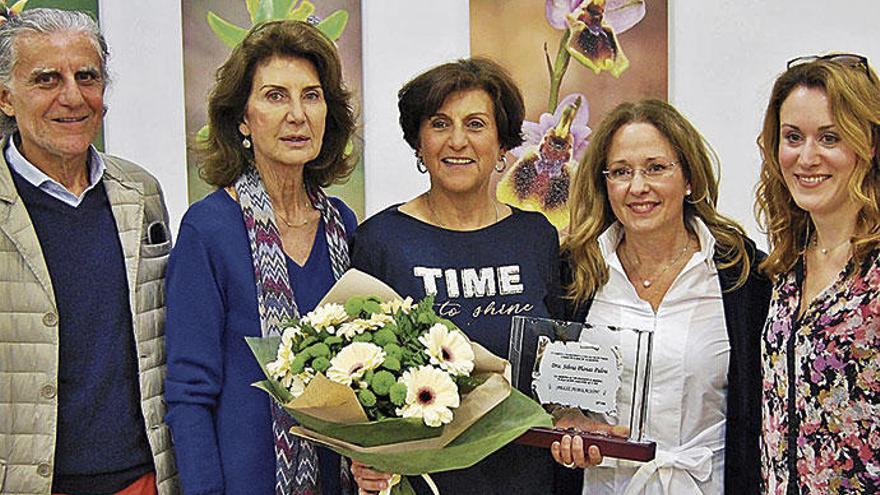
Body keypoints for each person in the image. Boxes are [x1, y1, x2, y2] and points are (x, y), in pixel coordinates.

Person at [348, 57, 559, 495]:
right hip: (420, 484)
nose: (457, 141)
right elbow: (356, 381)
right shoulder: (380, 241)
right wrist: (362, 458)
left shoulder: (537, 237)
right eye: (440, 124)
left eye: (476, 124)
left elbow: (559, 363)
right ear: (419, 142)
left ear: (503, 144)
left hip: (527, 479)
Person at [164, 20, 358, 495]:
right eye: (275, 96)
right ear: (242, 120)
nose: (297, 114)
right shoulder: (208, 229)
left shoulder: (345, 226)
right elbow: (189, 394)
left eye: (311, 96)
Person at [0, 7, 178, 495]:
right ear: (6, 98)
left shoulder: (140, 193)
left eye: (87, 77)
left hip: (142, 479)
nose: (72, 97)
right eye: (47, 79)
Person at [551, 99, 770, 494]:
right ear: (605, 185)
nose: (638, 187)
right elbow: (546, 389)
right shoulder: (572, 273)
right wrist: (563, 417)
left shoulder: (743, 276)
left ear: (688, 178)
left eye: (656, 168)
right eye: (620, 172)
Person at [755, 54, 880, 494]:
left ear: (870, 143)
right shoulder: (787, 263)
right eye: (793, 137)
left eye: (830, 137)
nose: (807, 157)